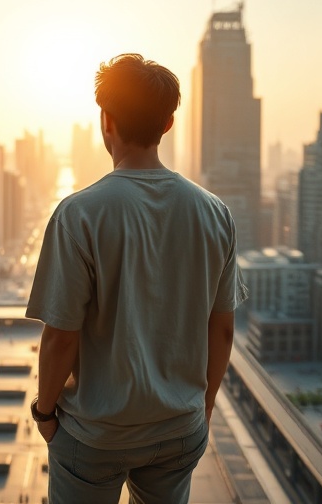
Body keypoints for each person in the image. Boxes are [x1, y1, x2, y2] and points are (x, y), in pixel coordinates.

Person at [26, 53, 244, 504]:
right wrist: (200, 411)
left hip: (95, 434)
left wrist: (45, 413)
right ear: (167, 124)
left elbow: (61, 336)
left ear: (106, 120)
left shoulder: (79, 214)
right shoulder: (214, 213)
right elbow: (221, 328)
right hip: (178, 429)